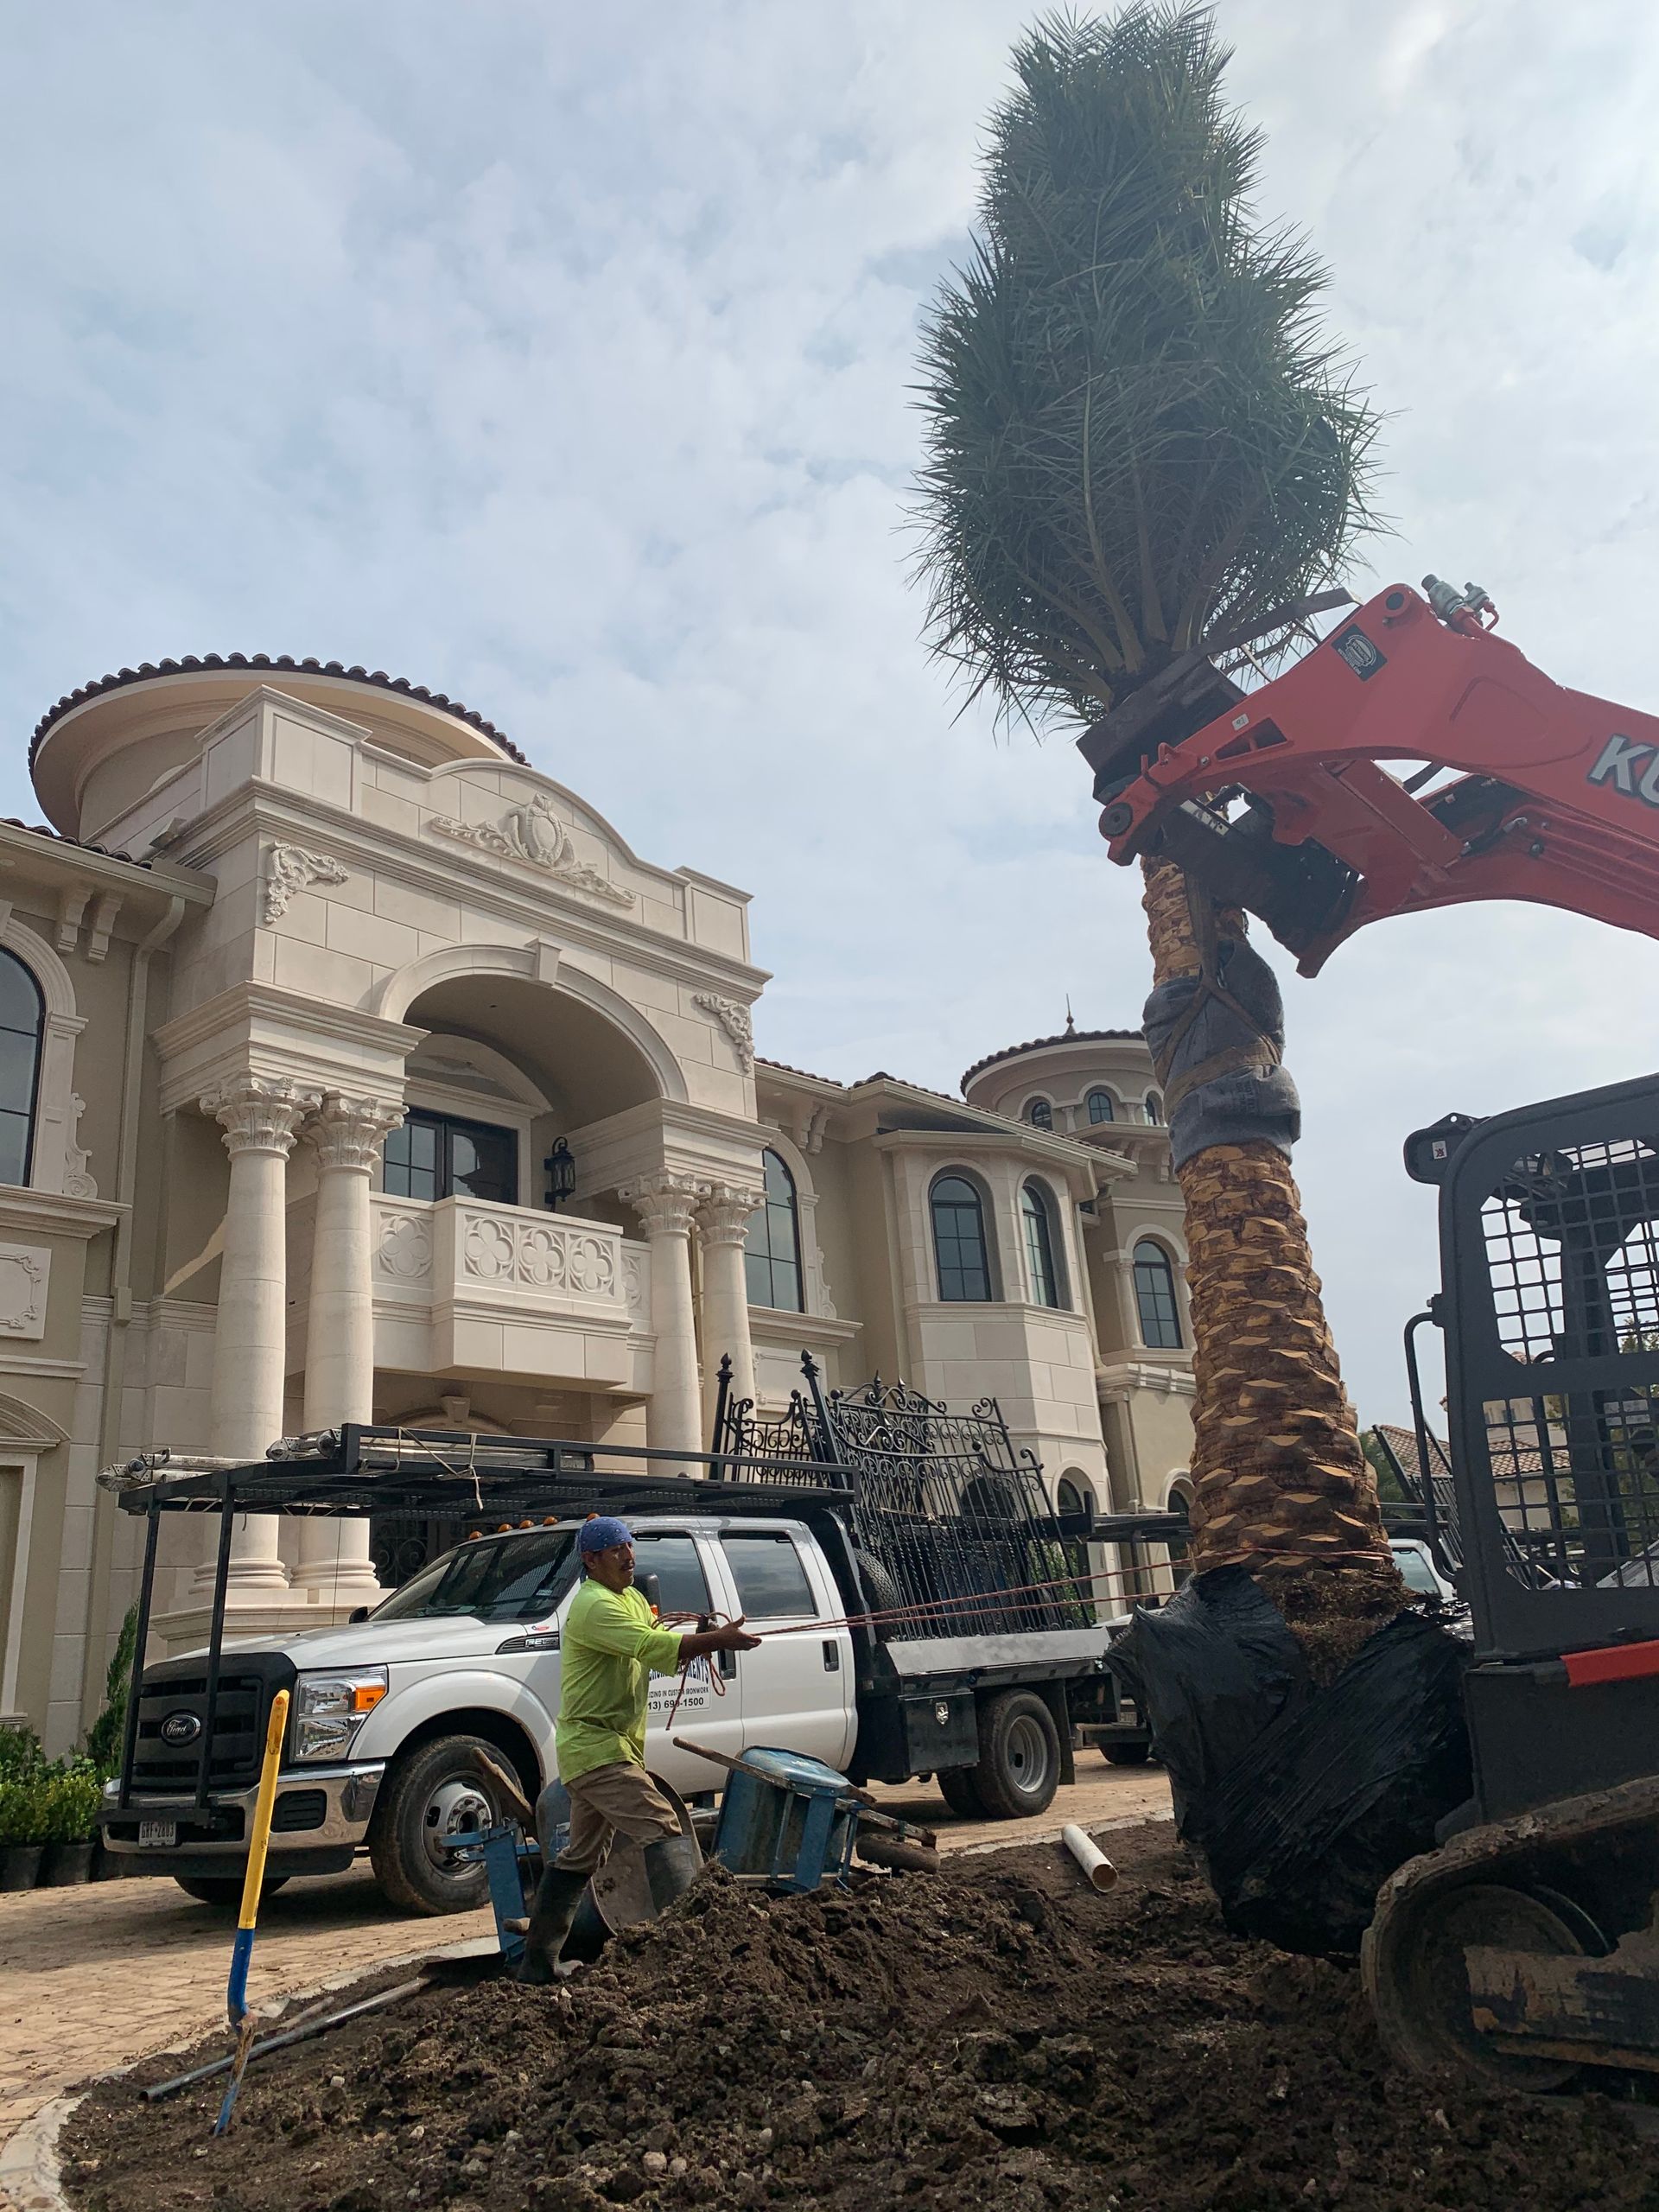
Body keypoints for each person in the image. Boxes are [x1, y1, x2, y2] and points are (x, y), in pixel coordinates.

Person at [517, 1514, 760, 1984]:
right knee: (663, 1825)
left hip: (609, 1746)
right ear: (591, 1561)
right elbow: (650, 1645)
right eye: (616, 1550)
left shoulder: (628, 1598)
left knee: (580, 1857)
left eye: (630, 1546)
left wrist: (700, 1638)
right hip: (598, 1749)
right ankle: (691, 1948)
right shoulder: (592, 1605)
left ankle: (538, 1964)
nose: (629, 1556)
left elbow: (657, 1640)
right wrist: (718, 1639)